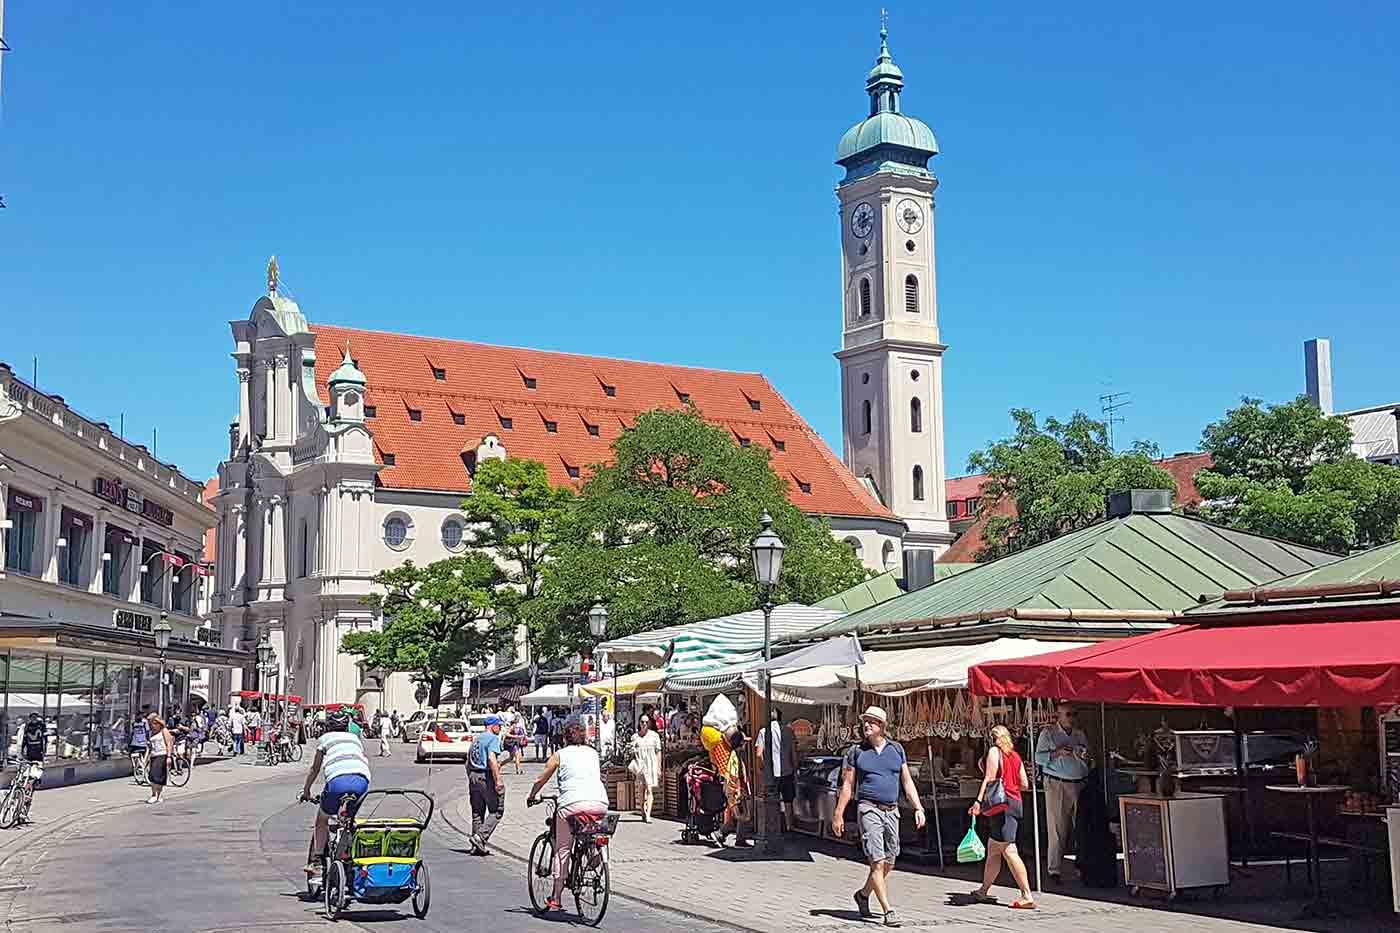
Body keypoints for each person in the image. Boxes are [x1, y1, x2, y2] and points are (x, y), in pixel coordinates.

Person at [833, 706, 926, 929]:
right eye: (865, 721)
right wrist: (838, 814)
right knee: (877, 860)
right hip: (868, 809)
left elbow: (907, 782)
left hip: (892, 810)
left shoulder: (897, 749)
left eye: (872, 722)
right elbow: (847, 785)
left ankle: (863, 895)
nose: (866, 724)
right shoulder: (856, 752)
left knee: (891, 860)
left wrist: (918, 807)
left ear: (882, 727)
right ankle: (888, 909)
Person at [527, 721, 609, 914]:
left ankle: (555, 898)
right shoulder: (593, 753)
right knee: (588, 829)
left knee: (562, 849)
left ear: (564, 738)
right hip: (599, 803)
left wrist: (532, 795)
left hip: (571, 805)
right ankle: (594, 855)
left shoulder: (560, 755)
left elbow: (542, 778)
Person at [969, 724, 1035, 909]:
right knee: (993, 849)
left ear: (992, 738)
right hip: (1015, 803)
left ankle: (1027, 894)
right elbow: (1024, 784)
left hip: (1001, 806)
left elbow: (989, 778)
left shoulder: (994, 752)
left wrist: (978, 802)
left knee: (1009, 850)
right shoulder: (1015, 756)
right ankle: (983, 890)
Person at [299, 709, 372, 876]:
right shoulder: (355, 738)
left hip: (337, 782)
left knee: (322, 820)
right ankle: (349, 854)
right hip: (362, 781)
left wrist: (306, 790)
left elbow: (315, 768)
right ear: (347, 726)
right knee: (348, 819)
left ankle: (317, 861)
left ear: (328, 726)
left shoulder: (325, 739)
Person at [1035, 701, 1089, 881]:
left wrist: (1084, 754)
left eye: (1075, 714)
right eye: (1068, 714)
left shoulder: (1080, 734)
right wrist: (1057, 753)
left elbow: (1089, 757)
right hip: (1057, 784)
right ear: (1059, 715)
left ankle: (1083, 866)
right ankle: (1054, 870)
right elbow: (1038, 758)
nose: (1072, 718)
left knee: (1082, 827)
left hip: (1079, 783)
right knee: (1057, 828)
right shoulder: (1048, 733)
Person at [466, 714, 507, 854]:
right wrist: (498, 780)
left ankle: (476, 846)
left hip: (473, 775)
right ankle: (480, 837)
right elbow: (491, 759)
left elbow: (467, 761)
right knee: (496, 810)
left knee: (477, 812)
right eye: (499, 725)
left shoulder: (477, 739)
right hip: (485, 777)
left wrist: (471, 778)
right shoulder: (493, 738)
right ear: (492, 726)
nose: (500, 728)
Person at [756, 708, 798, 832]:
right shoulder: (789, 731)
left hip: (771, 774)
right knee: (788, 801)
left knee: (771, 802)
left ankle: (774, 828)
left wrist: (763, 769)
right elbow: (793, 753)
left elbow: (759, 754)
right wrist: (794, 768)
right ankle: (790, 827)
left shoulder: (764, 732)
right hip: (787, 772)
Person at [629, 714, 662, 822]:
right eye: (642, 722)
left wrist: (658, 767)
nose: (644, 724)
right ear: (639, 723)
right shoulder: (635, 737)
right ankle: (643, 811)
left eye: (646, 722)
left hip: (651, 764)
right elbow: (631, 752)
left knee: (649, 788)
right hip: (640, 765)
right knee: (641, 789)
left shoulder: (654, 736)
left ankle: (648, 813)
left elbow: (658, 752)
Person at [145, 714, 174, 804]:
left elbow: (169, 743)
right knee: (152, 775)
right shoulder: (151, 732)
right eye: (150, 724)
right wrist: (147, 757)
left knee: (158, 775)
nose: (152, 726)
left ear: (158, 723)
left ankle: (156, 795)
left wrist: (169, 757)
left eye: (153, 724)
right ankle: (155, 794)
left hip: (162, 754)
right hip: (154, 755)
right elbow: (150, 747)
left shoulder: (164, 731)